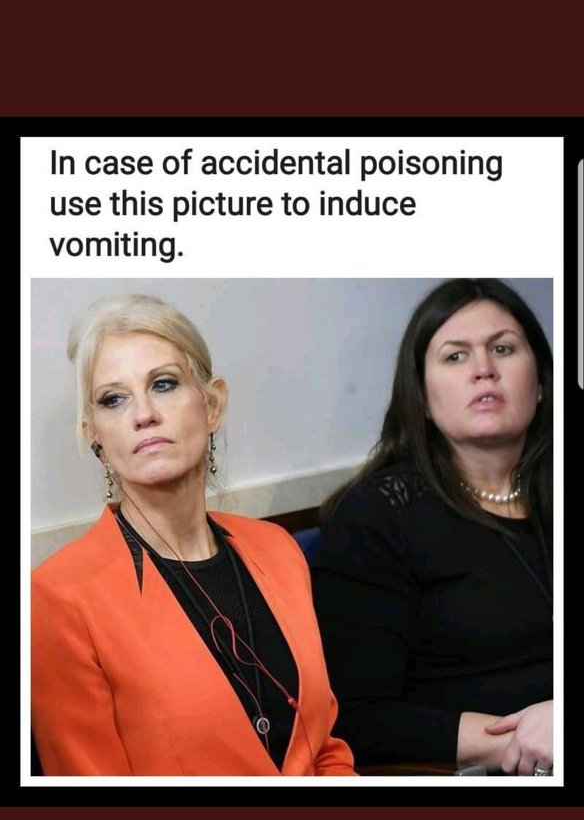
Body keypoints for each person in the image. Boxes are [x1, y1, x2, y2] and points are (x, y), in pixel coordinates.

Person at [32, 293, 355, 777]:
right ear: (93, 432)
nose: (143, 413)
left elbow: (325, 751)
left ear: (212, 404)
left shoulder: (278, 550)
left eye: (163, 384)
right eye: (113, 399)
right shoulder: (60, 598)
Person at [312, 279, 553, 776]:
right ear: (420, 396)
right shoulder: (375, 516)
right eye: (455, 356)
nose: (484, 369)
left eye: (503, 349)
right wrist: (528, 736)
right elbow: (358, 718)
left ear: (541, 381)